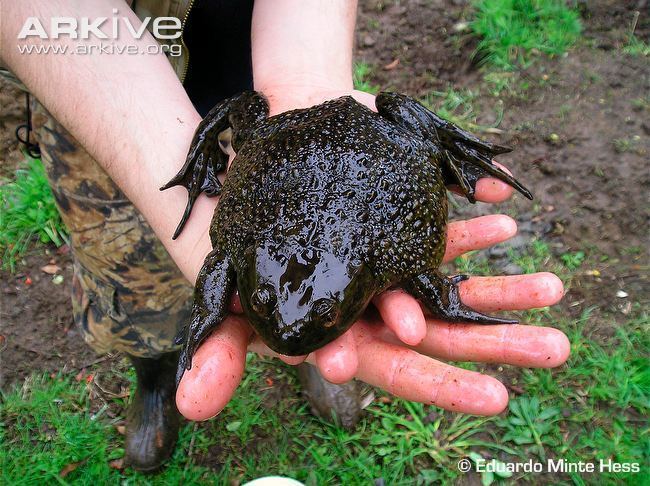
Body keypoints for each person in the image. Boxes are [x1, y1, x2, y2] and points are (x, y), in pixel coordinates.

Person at [0, 0, 569, 473]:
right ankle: (155, 375)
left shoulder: (391, 254)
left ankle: (312, 362)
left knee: (245, 287)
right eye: (267, 302)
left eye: (320, 314)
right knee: (133, 282)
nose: (286, 322)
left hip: (273, 88)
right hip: (92, 79)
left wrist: (308, 67)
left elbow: (421, 270)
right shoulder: (253, 242)